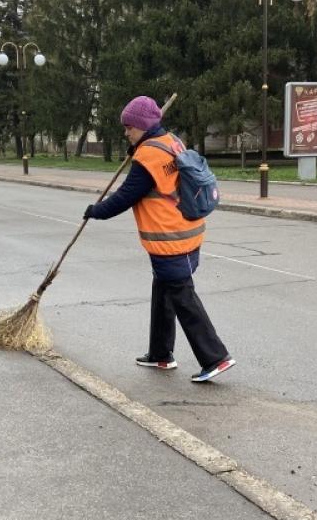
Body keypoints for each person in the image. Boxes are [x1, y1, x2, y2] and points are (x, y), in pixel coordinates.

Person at [83, 95, 235, 383]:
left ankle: (216, 357)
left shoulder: (148, 156)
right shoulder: (170, 141)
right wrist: (137, 147)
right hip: (188, 231)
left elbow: (126, 196)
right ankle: (161, 354)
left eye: (129, 127)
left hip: (169, 240)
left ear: (142, 125)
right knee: (163, 290)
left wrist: (96, 211)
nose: (126, 132)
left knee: (182, 297)